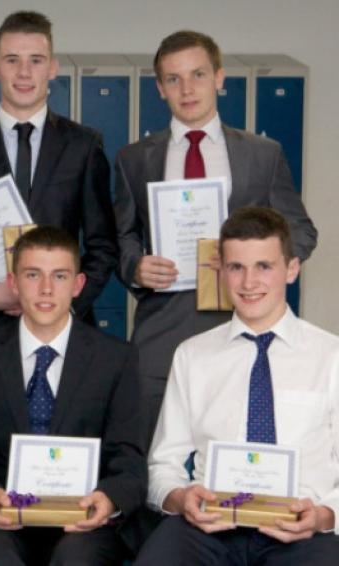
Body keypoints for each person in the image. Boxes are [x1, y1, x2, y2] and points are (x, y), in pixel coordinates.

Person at [113, 30, 317, 436]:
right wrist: (135, 266)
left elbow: (301, 230)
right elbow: (122, 235)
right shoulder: (134, 159)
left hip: (243, 319)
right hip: (163, 328)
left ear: (219, 78)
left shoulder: (263, 154)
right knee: (152, 449)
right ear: (160, 88)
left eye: (198, 75)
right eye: (174, 79)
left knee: (239, 442)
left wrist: (255, 263)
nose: (187, 89)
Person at [136, 206, 339, 565]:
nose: (248, 283)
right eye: (236, 267)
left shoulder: (331, 355)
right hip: (207, 527)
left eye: (264, 266)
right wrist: (180, 498)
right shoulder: (192, 355)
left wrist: (324, 516)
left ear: (292, 269)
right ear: (220, 270)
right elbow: (162, 465)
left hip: (302, 530)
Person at [0, 225, 146, 564]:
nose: (46, 289)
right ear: (13, 283)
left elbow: (128, 457)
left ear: (78, 284)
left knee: (76, 560)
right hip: (3, 514)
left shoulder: (116, 359)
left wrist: (108, 498)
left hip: (84, 516)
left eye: (59, 276)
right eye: (32, 275)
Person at [0, 10, 117, 344]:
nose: (24, 72)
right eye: (12, 60)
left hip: (65, 327)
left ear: (53, 68)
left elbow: (103, 245)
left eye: (36, 60)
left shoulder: (84, 146)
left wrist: (64, 302)